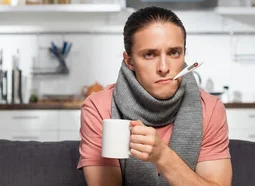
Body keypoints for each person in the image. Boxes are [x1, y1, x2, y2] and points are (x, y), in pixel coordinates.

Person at [76, 6, 232, 186]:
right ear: (130, 61)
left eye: (174, 53)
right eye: (149, 54)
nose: (164, 67)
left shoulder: (210, 109)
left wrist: (163, 157)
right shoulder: (99, 108)